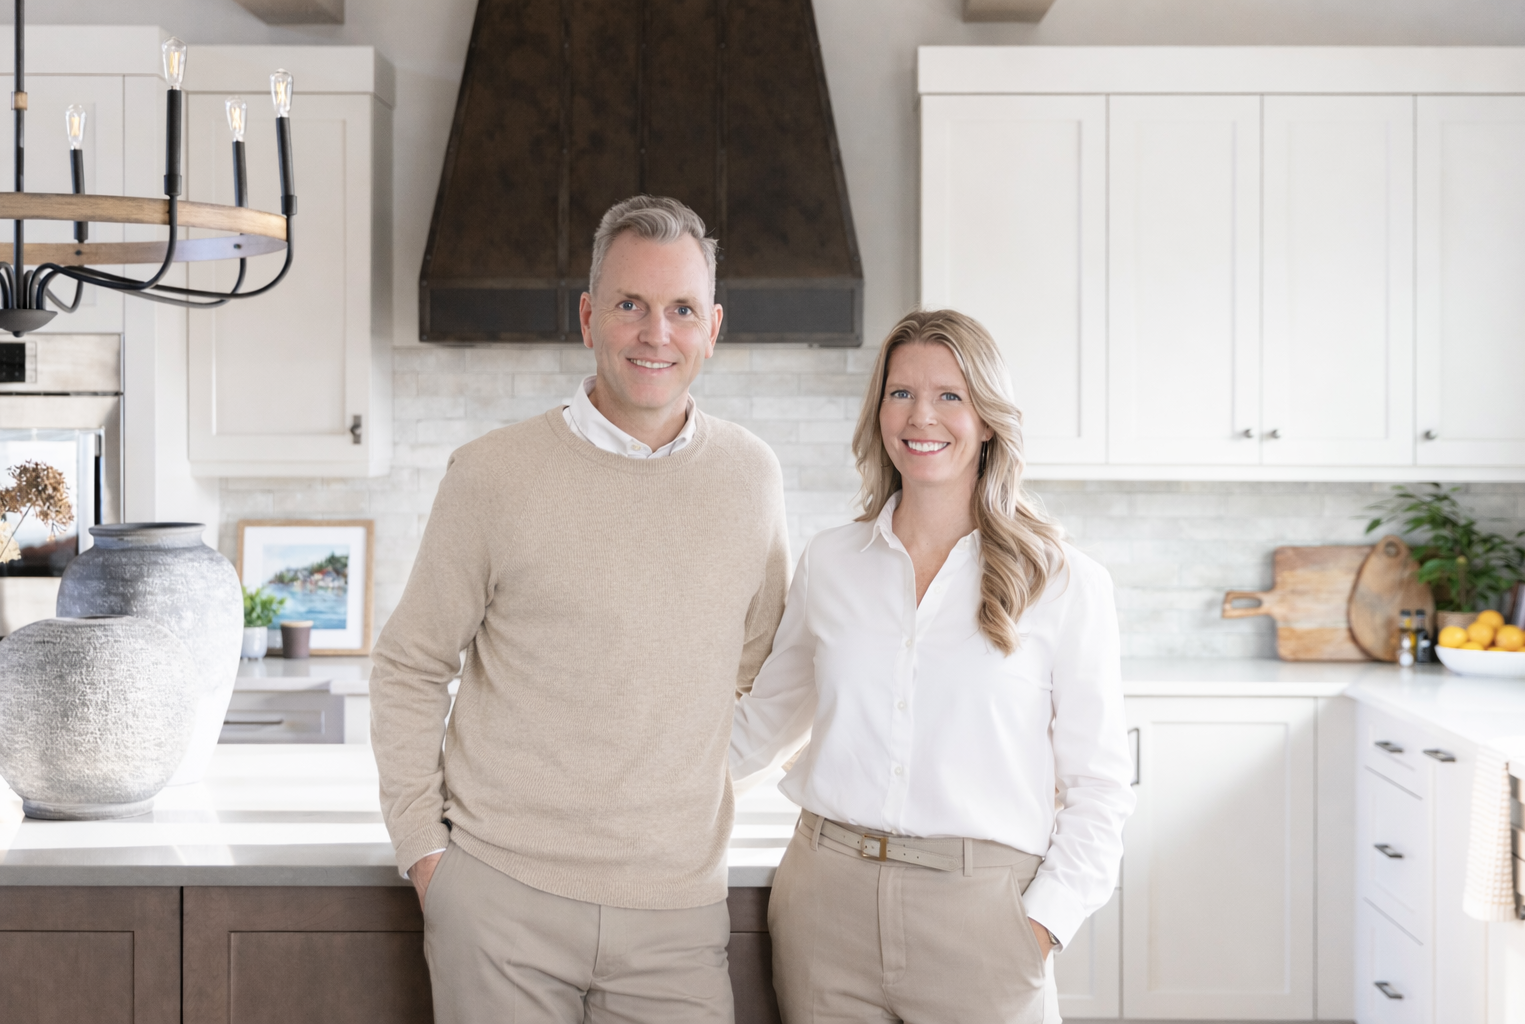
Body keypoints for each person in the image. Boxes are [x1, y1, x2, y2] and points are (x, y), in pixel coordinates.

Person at [371, 195, 790, 1024]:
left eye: (679, 311)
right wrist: (426, 854)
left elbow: (763, 665)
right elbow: (411, 664)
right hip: (499, 904)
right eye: (630, 305)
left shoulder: (752, 478)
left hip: (676, 917)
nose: (654, 333)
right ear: (590, 315)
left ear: (713, 327)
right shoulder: (491, 475)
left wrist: (679, 771)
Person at [730, 309, 1135, 1024]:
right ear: (879, 412)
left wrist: (1038, 927)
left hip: (983, 921)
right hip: (824, 911)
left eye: (950, 394)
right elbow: (756, 733)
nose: (922, 416)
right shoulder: (831, 563)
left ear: (988, 418)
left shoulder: (1066, 582)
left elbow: (1100, 787)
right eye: (900, 393)